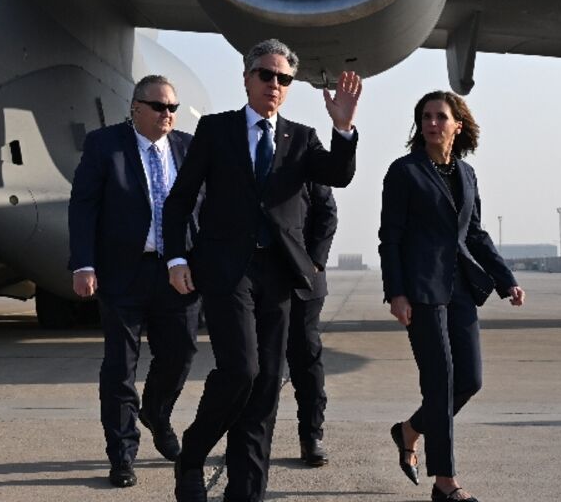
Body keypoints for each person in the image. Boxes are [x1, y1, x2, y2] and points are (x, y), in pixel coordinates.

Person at [162, 39, 360, 502]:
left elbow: (338, 174)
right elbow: (180, 200)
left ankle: (246, 491)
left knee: (267, 385)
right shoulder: (215, 131)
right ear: (247, 78)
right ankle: (192, 457)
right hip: (227, 270)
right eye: (266, 75)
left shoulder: (303, 137)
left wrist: (344, 127)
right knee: (243, 370)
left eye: (284, 78)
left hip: (280, 274)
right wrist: (176, 258)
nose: (275, 84)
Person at [379, 91, 526, 502]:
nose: (431, 123)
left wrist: (505, 279)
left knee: (470, 380)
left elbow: (475, 234)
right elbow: (389, 238)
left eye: (440, 117)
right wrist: (396, 293)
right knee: (440, 384)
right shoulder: (404, 172)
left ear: (457, 125)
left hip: (460, 289)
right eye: (425, 117)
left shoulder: (466, 174)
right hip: (422, 292)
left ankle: (409, 430)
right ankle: (446, 484)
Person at [67, 75, 200, 488]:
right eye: (159, 107)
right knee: (120, 368)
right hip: (123, 272)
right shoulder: (105, 145)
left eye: (173, 108)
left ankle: (157, 412)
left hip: (177, 270)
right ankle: (122, 453)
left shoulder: (188, 147)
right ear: (136, 108)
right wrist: (83, 264)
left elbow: (206, 206)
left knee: (180, 353)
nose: (168, 115)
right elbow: (83, 205)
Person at [287, 181, 337, 467]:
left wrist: (315, 262)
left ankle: (311, 436)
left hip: (305, 278)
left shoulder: (302, 148)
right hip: (257, 280)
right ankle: (250, 439)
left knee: (307, 359)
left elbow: (327, 211)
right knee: (253, 368)